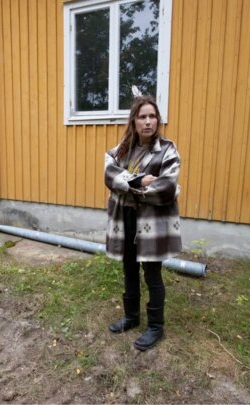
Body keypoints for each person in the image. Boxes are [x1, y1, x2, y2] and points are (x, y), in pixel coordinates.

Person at [104, 95, 182, 351]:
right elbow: (109, 173)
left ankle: (155, 327)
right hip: (125, 217)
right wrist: (140, 181)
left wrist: (127, 185)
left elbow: (167, 187)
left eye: (152, 116)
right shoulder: (122, 149)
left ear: (157, 120)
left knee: (152, 273)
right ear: (134, 121)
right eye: (142, 116)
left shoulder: (168, 149)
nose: (148, 121)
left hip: (151, 224)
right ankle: (131, 317)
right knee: (129, 269)